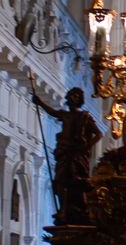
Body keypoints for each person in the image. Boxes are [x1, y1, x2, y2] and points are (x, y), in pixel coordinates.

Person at [33, 87, 102, 224]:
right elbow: (52, 112)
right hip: (64, 152)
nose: (72, 98)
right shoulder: (65, 115)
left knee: (77, 181)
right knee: (60, 181)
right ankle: (63, 210)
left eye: (76, 96)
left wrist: (87, 146)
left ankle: (79, 209)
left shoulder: (85, 117)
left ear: (79, 100)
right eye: (71, 95)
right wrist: (40, 103)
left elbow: (99, 134)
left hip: (77, 154)